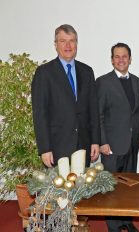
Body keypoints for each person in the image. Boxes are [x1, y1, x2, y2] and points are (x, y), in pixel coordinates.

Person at [96, 42, 139, 232]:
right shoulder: (103, 82)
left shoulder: (137, 81)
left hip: (132, 144)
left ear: (130, 59)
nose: (121, 60)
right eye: (117, 56)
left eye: (124, 56)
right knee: (111, 186)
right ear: (112, 60)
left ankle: (126, 221)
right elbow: (98, 115)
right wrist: (102, 141)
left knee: (128, 186)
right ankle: (113, 226)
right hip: (111, 145)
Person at [32, 24, 100, 168]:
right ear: (56, 45)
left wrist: (95, 141)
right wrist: (44, 149)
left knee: (83, 188)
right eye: (63, 41)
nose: (68, 45)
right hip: (57, 147)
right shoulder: (44, 73)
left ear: (77, 44)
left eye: (72, 40)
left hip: (84, 145)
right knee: (60, 189)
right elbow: (40, 114)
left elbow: (93, 109)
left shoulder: (87, 72)